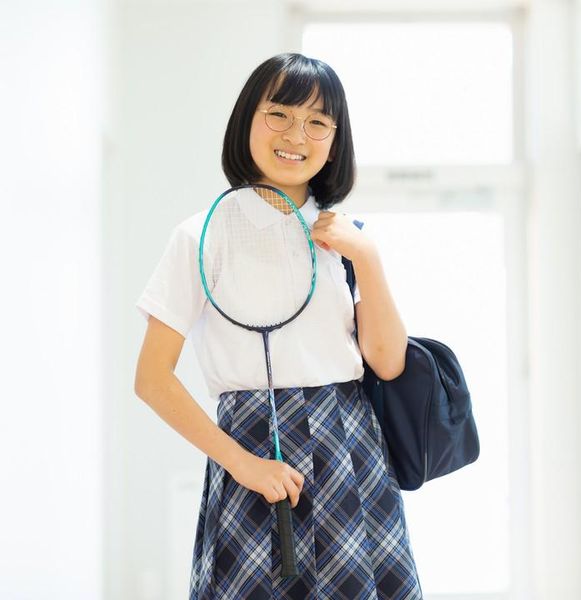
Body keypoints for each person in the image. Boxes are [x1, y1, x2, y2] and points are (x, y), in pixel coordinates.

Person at [134, 52, 423, 599]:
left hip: (351, 449)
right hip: (251, 450)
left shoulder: (350, 237)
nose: (296, 135)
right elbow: (151, 379)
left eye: (318, 122)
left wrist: (368, 257)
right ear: (248, 119)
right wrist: (242, 464)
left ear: (335, 140)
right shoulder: (201, 235)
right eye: (280, 114)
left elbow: (387, 362)